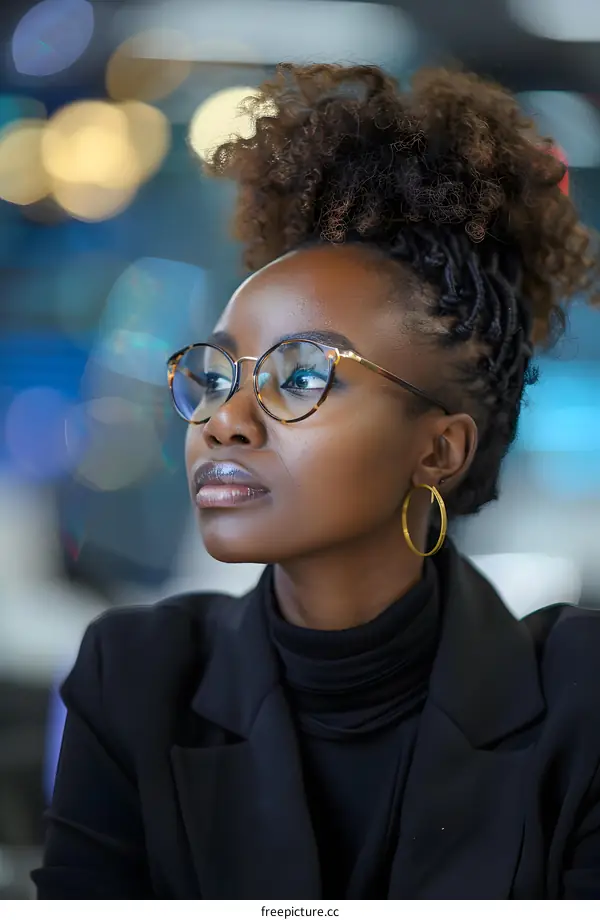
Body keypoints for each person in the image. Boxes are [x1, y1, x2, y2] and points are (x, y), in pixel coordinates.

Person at [33, 64, 600, 900]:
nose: (225, 417)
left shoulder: (578, 696)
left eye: (301, 377)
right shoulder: (139, 676)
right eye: (217, 372)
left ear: (439, 450)